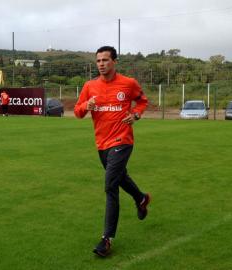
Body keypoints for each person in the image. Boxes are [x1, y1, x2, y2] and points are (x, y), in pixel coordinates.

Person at [74, 46, 151, 257]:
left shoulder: (128, 83)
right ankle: (141, 198)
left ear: (114, 62)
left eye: (105, 60)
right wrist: (86, 106)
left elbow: (142, 101)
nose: (101, 64)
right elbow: (77, 112)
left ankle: (106, 239)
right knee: (119, 178)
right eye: (98, 60)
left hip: (123, 140)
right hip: (102, 144)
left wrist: (135, 115)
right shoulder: (90, 86)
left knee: (110, 186)